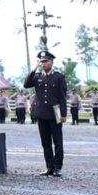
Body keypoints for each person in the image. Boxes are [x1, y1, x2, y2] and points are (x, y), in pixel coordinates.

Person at [24, 49, 67, 178]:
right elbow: (26, 84)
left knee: (58, 141)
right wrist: (34, 69)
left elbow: (62, 96)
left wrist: (63, 114)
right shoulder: (37, 77)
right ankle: (49, 167)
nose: (43, 64)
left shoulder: (59, 77)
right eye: (41, 62)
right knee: (45, 142)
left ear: (51, 62)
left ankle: (57, 167)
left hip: (56, 112)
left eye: (46, 61)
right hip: (41, 113)